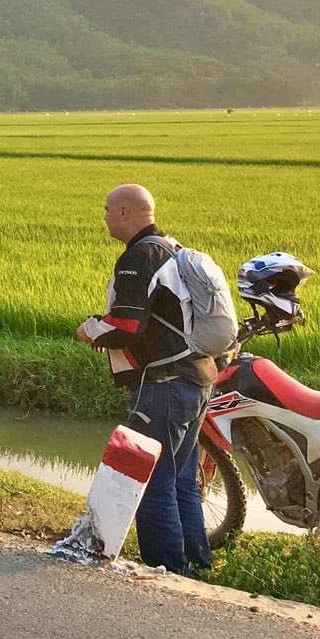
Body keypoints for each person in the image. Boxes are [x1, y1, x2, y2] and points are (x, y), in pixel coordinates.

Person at [76, 183, 213, 574]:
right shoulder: (174, 248)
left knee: (153, 483)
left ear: (124, 212)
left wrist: (89, 331)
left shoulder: (140, 256)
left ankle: (167, 573)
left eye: (106, 209)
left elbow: (127, 325)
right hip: (197, 377)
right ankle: (197, 566)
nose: (103, 216)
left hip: (164, 384)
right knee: (182, 479)